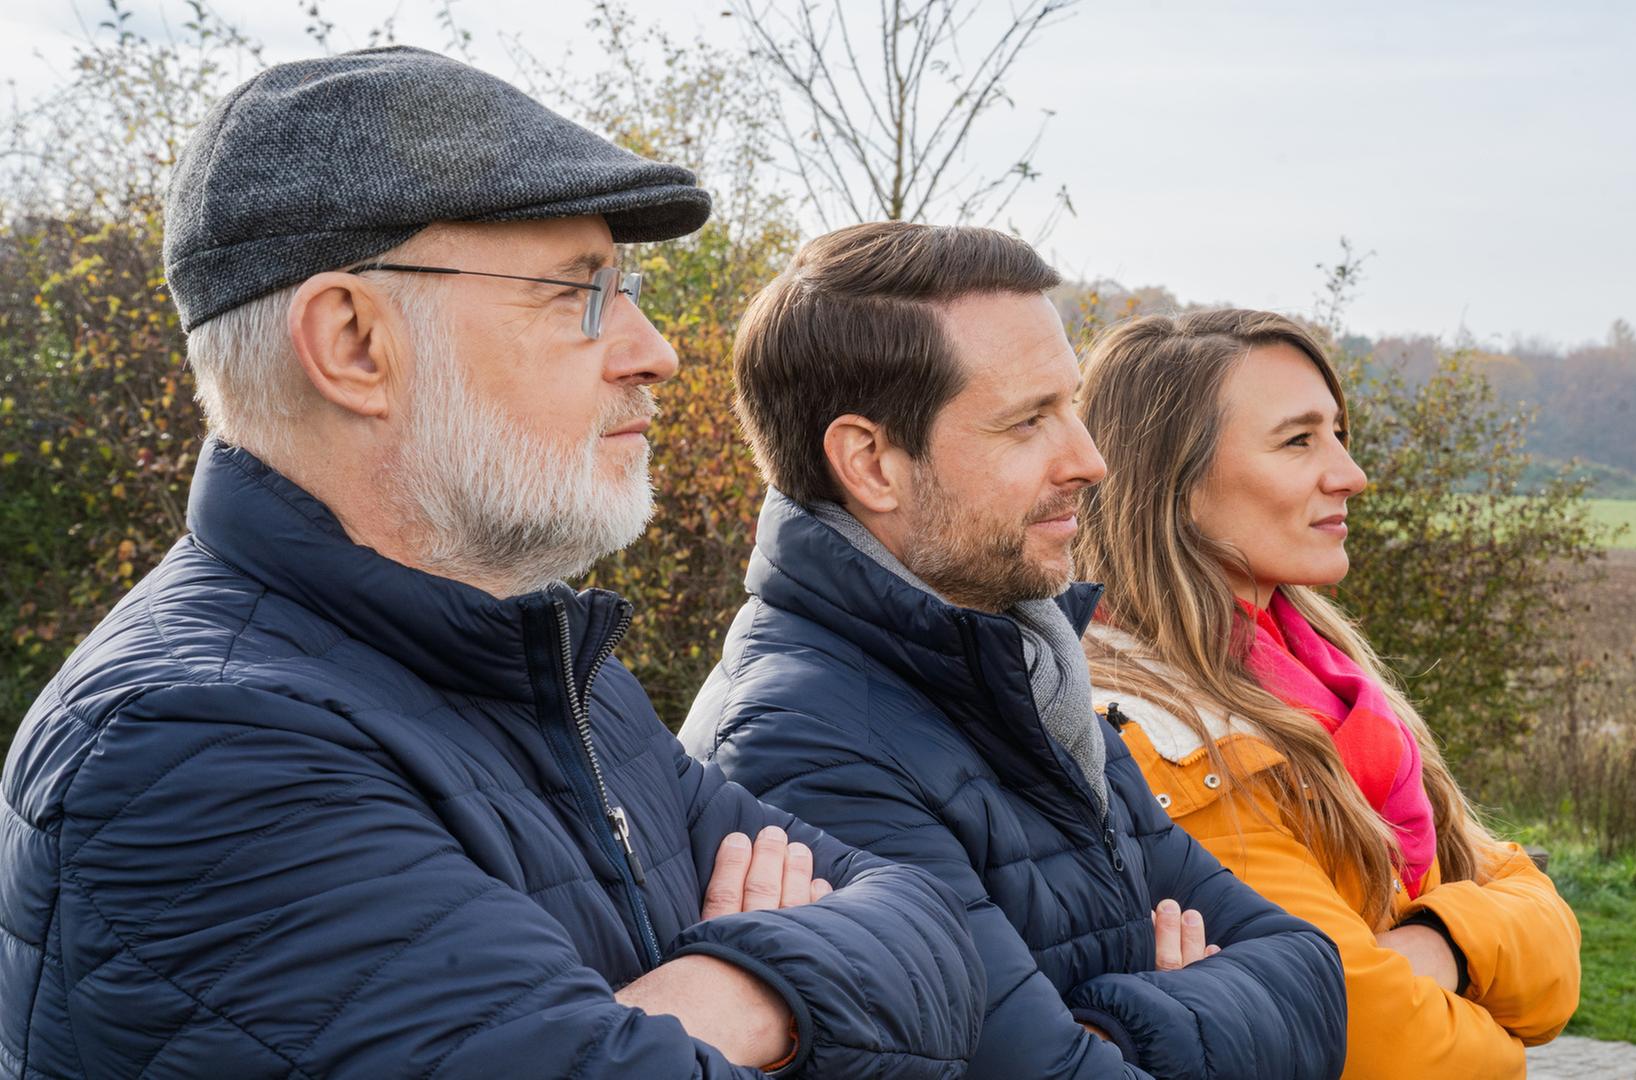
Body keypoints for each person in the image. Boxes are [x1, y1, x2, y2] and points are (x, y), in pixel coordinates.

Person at [0, 48, 986, 1080]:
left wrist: (737, 991)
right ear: (352, 344)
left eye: (627, 288)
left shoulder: (546, 674)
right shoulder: (192, 748)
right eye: (578, 293)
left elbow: (931, 924)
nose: (657, 350)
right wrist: (793, 984)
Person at [678, 223, 1348, 1080]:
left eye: (1071, 405)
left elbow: (1311, 972)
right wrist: (1173, 1015)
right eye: (1029, 421)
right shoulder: (801, 741)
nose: (1091, 459)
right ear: (871, 463)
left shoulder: (1025, 669)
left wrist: (1118, 1028)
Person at [1071, 308, 1582, 1078]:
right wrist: (1493, 1015)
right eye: (1298, 440)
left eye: (1337, 434)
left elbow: (1543, 921)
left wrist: (1441, 941)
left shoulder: (1330, 681)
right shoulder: (1159, 737)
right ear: (1173, 484)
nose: (1350, 474)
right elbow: (1376, 1041)